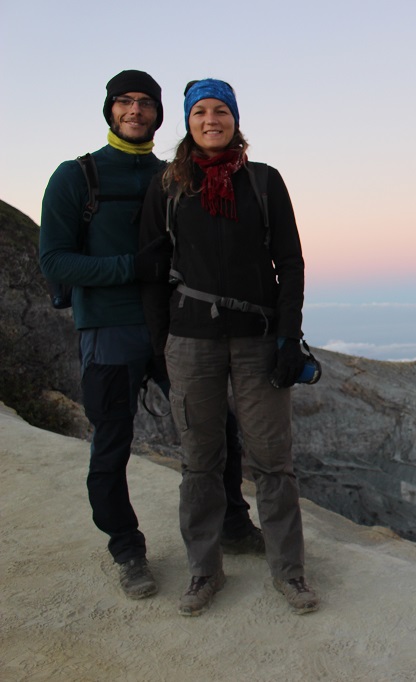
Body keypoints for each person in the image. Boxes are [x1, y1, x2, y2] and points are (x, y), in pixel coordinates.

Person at [39, 70, 265, 601]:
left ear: (160, 115)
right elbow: (55, 260)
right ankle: (126, 549)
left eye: (146, 103)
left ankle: (232, 524)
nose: (135, 110)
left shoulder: (173, 175)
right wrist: (130, 267)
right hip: (109, 330)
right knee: (111, 444)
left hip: (172, 327)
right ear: (110, 110)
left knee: (216, 430)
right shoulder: (77, 176)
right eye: (124, 101)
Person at [138, 78, 319, 616]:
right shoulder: (169, 186)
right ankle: (203, 570)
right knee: (199, 461)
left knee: (272, 460)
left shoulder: (263, 181)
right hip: (190, 340)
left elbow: (290, 262)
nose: (210, 119)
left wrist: (288, 337)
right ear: (187, 121)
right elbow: (152, 270)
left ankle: (289, 571)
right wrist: (159, 344)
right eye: (200, 111)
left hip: (258, 340)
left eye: (221, 110)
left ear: (235, 120)